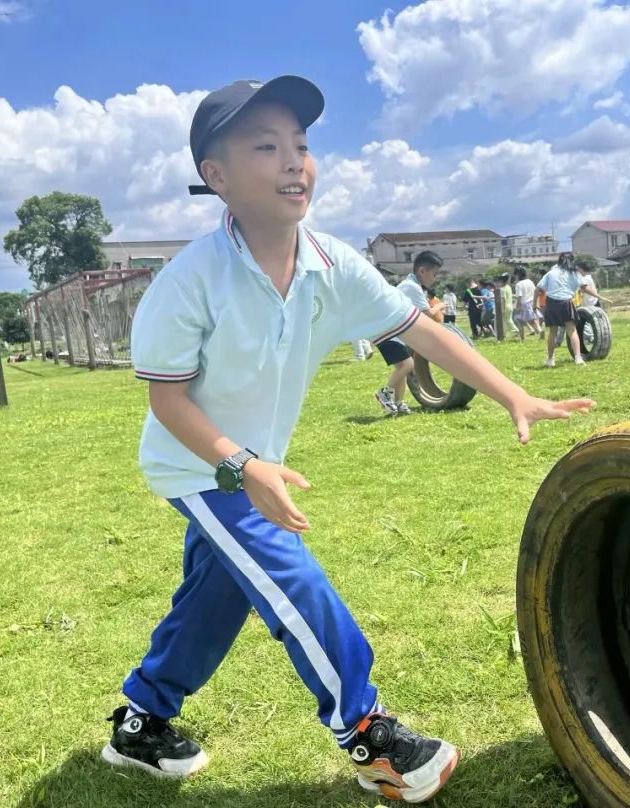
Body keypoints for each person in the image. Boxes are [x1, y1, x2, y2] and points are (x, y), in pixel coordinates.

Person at [103, 76, 598, 803]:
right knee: (289, 575)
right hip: (198, 467)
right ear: (216, 177)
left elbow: (419, 329)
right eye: (266, 147)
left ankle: (141, 723)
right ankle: (369, 736)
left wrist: (512, 392)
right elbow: (167, 400)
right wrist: (243, 465)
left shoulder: (331, 265)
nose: (294, 162)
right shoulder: (188, 282)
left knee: (219, 597)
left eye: (301, 145)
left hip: (253, 463)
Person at [374, 250, 447, 416]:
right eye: (434, 274)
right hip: (387, 332)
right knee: (408, 365)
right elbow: (428, 314)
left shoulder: (410, 285)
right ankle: (384, 393)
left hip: (392, 332)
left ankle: (398, 403)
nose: (435, 279)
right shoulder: (412, 287)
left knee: (402, 368)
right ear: (422, 271)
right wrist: (441, 306)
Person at [538, 253, 590, 367]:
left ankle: (550, 359)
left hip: (551, 303)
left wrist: (534, 304)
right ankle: (578, 358)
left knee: (553, 332)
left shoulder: (551, 273)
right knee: (572, 331)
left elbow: (538, 288)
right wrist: (599, 296)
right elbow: (584, 288)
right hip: (566, 302)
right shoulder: (574, 273)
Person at [512, 267, 541, 341]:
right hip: (532, 302)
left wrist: (517, 307)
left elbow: (519, 297)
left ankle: (522, 339)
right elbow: (535, 292)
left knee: (519, 321)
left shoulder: (519, 284)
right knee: (533, 320)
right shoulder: (529, 281)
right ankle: (540, 333)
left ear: (517, 275)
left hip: (524, 304)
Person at [496, 274, 520, 338]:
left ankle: (517, 331)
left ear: (501, 281)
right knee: (506, 320)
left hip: (505, 306)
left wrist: (503, 308)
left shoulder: (502, 289)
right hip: (510, 306)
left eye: (499, 282)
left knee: (507, 320)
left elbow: (503, 299)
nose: (498, 283)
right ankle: (504, 334)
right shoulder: (508, 287)